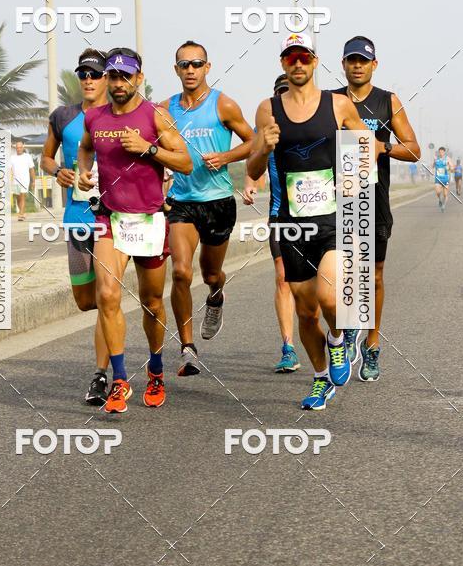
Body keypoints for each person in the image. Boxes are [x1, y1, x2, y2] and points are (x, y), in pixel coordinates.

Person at [247, 32, 384, 411]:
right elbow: (254, 167)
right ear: (283, 64)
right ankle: (321, 378)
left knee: (329, 296)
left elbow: (367, 144)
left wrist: (354, 174)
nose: (298, 64)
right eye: (290, 58)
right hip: (290, 224)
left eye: (304, 57)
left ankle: (339, 338)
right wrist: (264, 147)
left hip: (331, 219)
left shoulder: (337, 105)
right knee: (306, 313)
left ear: (314, 60)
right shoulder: (267, 109)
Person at [77, 46, 192, 414]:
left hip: (148, 221)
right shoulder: (94, 119)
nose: (119, 82)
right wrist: (83, 171)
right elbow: (84, 148)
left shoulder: (156, 116)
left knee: (152, 301)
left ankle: (156, 369)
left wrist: (148, 149)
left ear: (139, 78)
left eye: (126, 76)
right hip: (110, 218)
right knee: (108, 295)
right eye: (113, 76)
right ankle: (122, 379)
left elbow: (186, 163)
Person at [161, 40, 254, 376]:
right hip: (182, 202)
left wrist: (227, 157)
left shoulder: (223, 104)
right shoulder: (164, 109)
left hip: (217, 202)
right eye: (184, 64)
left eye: (196, 64)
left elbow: (253, 140)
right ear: (176, 70)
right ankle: (187, 348)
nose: (190, 70)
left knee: (210, 273)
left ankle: (215, 295)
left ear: (207, 67)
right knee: (181, 272)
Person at [339, 35, 420, 380]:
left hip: (374, 199)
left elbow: (414, 149)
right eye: (351, 60)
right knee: (341, 274)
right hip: (337, 200)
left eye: (363, 60)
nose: (357, 65)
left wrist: (381, 146)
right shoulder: (330, 100)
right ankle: (346, 331)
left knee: (373, 276)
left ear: (374, 64)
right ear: (343, 64)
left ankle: (372, 344)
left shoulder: (388, 101)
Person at [41, 48, 111, 405]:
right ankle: (113, 333)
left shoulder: (119, 115)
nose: (88, 79)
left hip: (110, 219)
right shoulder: (63, 117)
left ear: (107, 78)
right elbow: (45, 157)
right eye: (83, 73)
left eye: (95, 74)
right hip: (76, 217)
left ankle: (102, 374)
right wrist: (58, 172)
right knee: (87, 301)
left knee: (105, 296)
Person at [243, 73, 300, 373]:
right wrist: (251, 183)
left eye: (288, 91)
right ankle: (288, 346)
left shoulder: (315, 121)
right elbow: (254, 159)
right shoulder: (266, 127)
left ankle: (334, 336)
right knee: (282, 277)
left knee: (316, 287)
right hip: (280, 213)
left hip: (318, 215)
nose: (283, 97)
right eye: (279, 93)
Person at [11, 141, 36, 221]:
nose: (19, 149)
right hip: (15, 181)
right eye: (17, 147)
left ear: (23, 148)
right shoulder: (12, 157)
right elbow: (9, 169)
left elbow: (31, 169)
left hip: (25, 180)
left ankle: (21, 214)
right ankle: (22, 212)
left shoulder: (27, 156)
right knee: (18, 197)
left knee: (22, 196)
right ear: (16, 148)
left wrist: (33, 181)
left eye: (20, 147)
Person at [433, 146, 453, 212]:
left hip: (445, 179)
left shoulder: (447, 159)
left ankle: (443, 205)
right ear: (438, 152)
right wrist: (434, 162)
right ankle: (440, 200)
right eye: (440, 152)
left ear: (444, 152)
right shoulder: (436, 158)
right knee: (438, 192)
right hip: (438, 178)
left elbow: (452, 167)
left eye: (442, 152)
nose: (441, 153)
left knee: (445, 194)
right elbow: (432, 166)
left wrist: (450, 168)